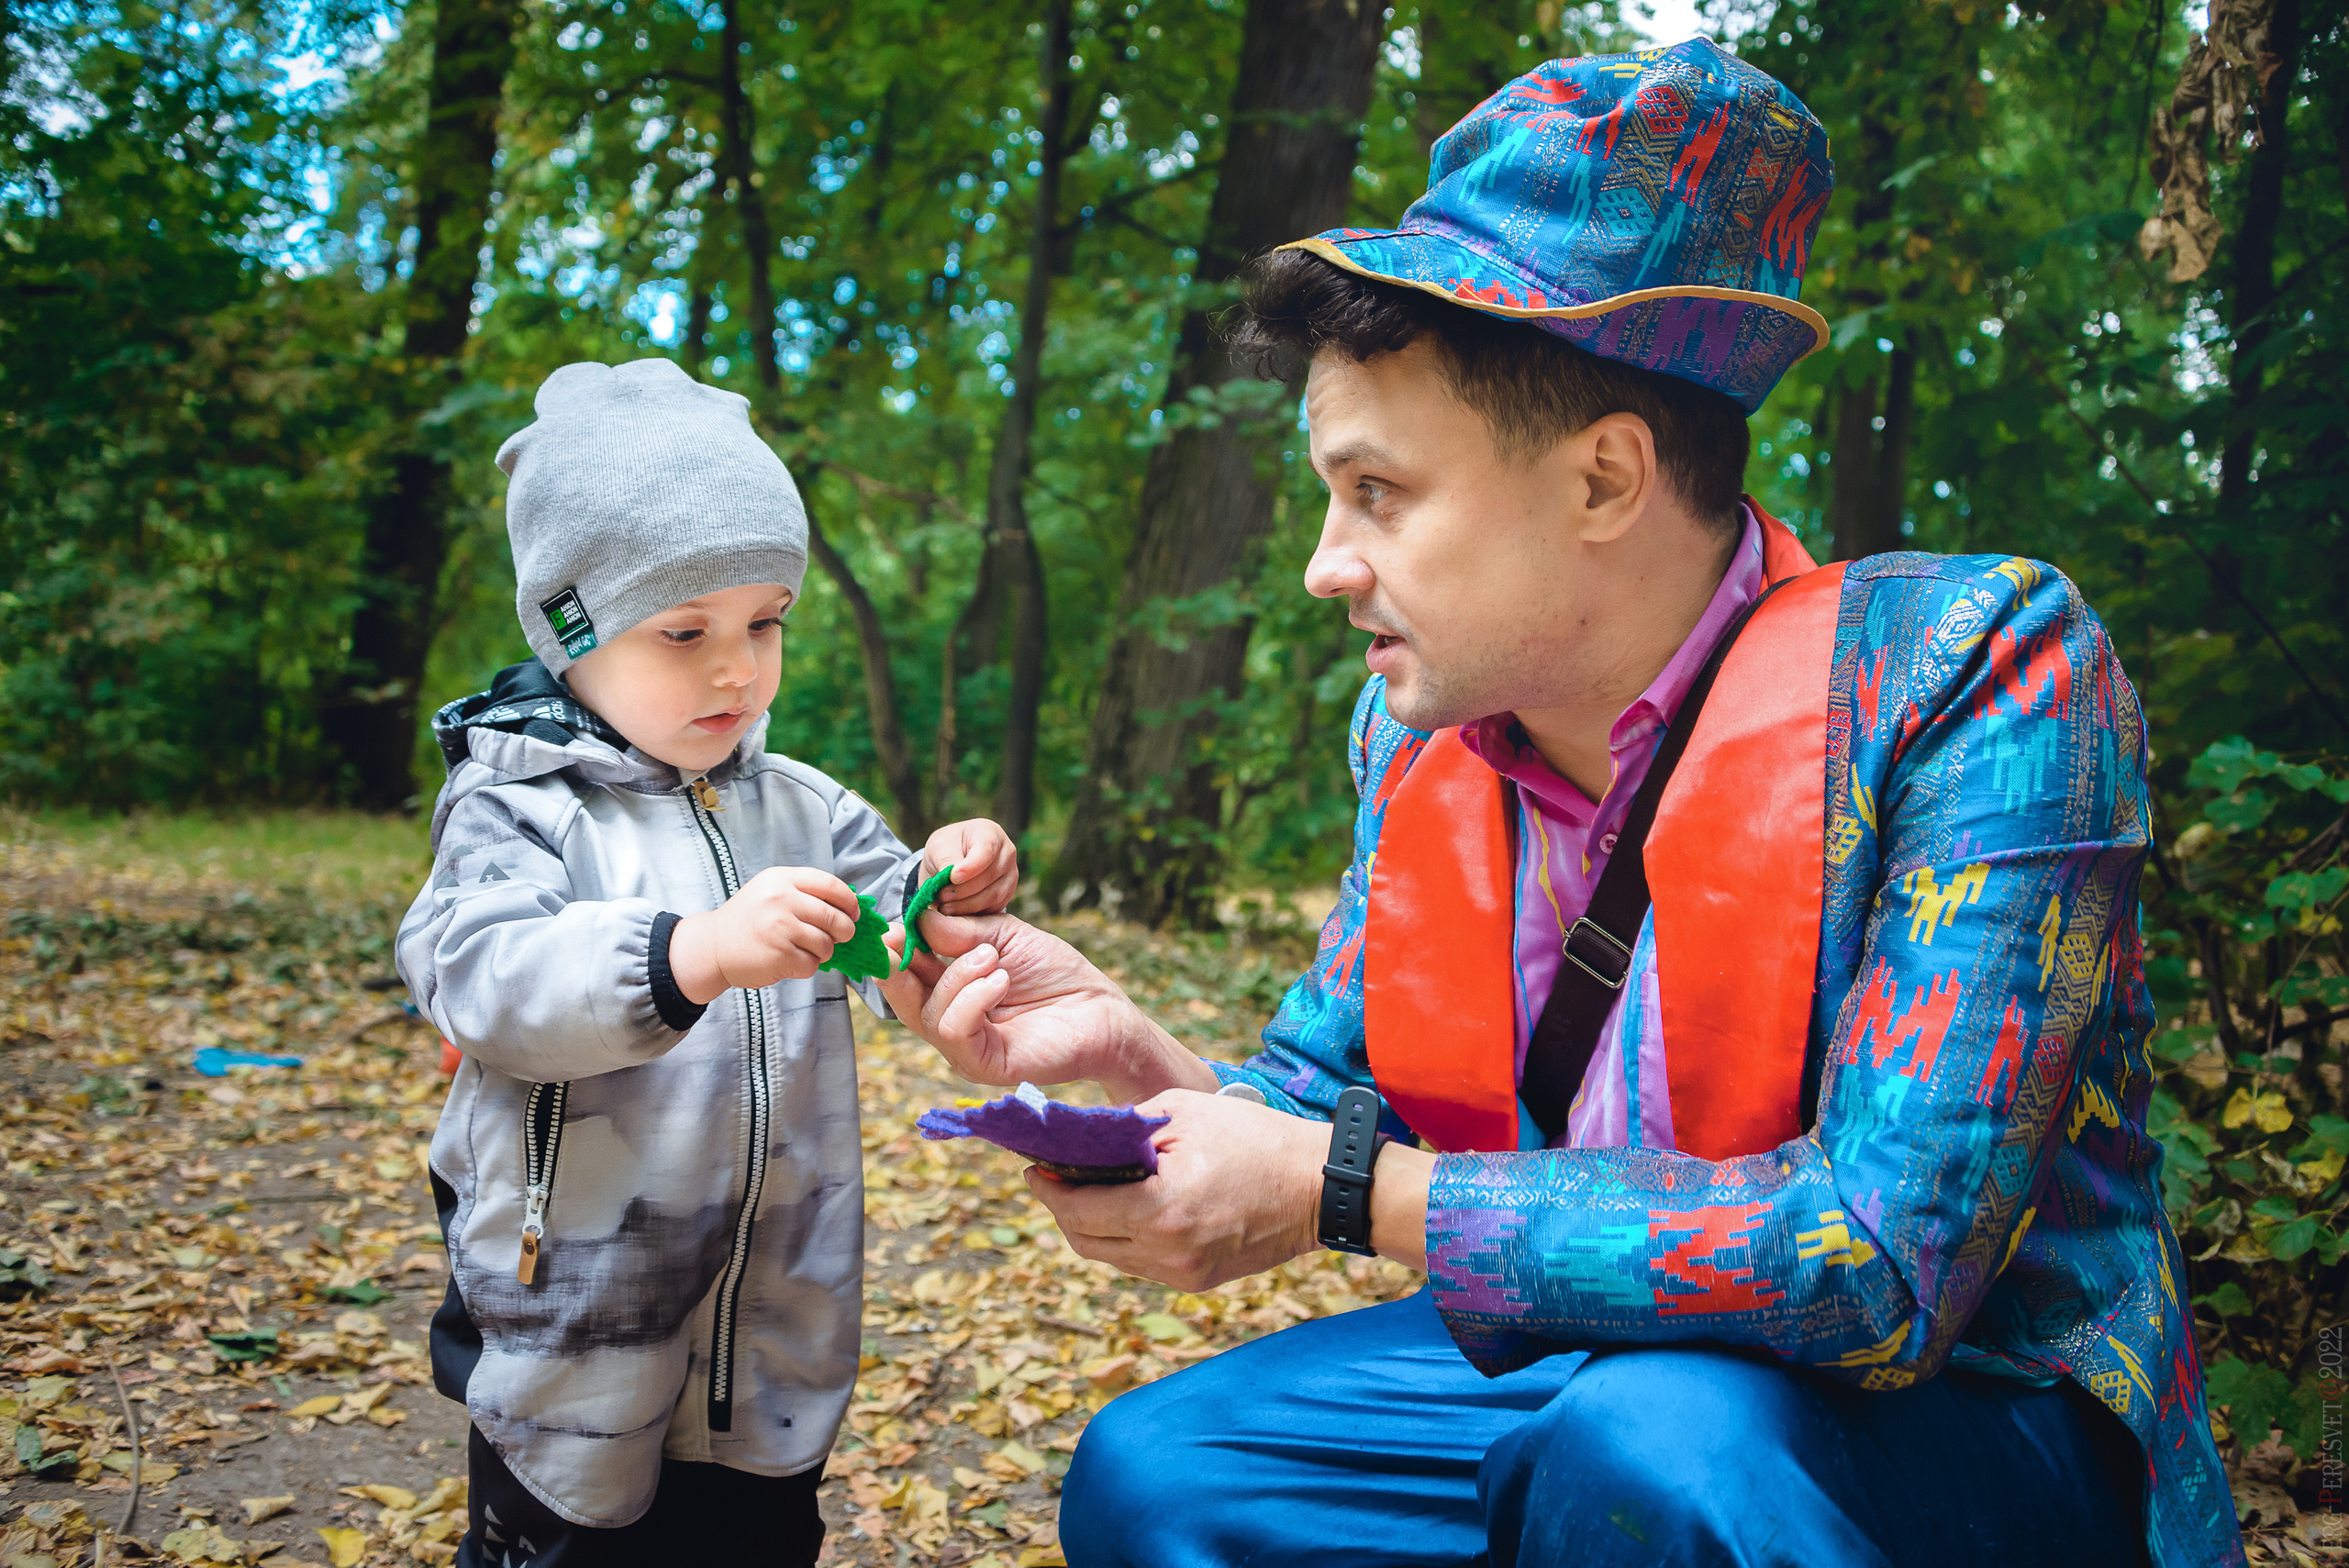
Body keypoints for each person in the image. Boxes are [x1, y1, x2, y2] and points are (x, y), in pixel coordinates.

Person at [885, 40, 2243, 1568]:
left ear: (1604, 479)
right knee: (1165, 1470)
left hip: (1982, 1424)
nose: (1327, 564)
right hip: (1604, 1379)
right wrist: (1133, 1073)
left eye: (1378, 494)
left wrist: (1345, 1190)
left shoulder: (1973, 678)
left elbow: (1879, 1269)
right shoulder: (1416, 742)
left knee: (1655, 1444)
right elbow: (1327, 1101)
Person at [394, 358, 1019, 1566]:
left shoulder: (802, 804)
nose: (736, 668)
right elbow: (480, 974)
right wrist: (688, 953)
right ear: (572, 628)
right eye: (684, 630)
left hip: (771, 1334)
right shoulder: (514, 806)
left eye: (763, 622)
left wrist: (950, 887)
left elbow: (896, 935)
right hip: (575, 1336)